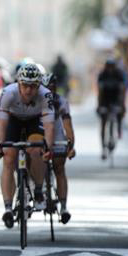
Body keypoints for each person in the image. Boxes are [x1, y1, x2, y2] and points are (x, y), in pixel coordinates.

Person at [0, 63, 55, 228]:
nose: (28, 90)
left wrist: (48, 148)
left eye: (33, 86)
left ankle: (39, 190)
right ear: (18, 83)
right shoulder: (8, 93)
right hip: (13, 121)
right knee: (9, 159)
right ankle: (7, 207)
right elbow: (1, 124)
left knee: (36, 150)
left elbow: (49, 126)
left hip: (35, 121)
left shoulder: (45, 95)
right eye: (25, 85)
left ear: (39, 85)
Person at [42, 74, 75, 224]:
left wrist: (70, 145)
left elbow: (67, 124)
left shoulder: (61, 101)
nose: (49, 90)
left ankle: (63, 206)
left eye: (52, 87)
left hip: (57, 138)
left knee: (59, 168)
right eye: (46, 88)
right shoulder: (34, 100)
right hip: (38, 136)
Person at [97, 58, 126, 159]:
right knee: (103, 123)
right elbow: (100, 92)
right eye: (108, 67)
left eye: (112, 67)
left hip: (116, 100)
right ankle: (103, 149)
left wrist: (122, 105)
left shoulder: (119, 74)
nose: (110, 69)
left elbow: (122, 91)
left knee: (118, 115)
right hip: (105, 100)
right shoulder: (102, 75)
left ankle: (118, 129)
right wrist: (99, 105)